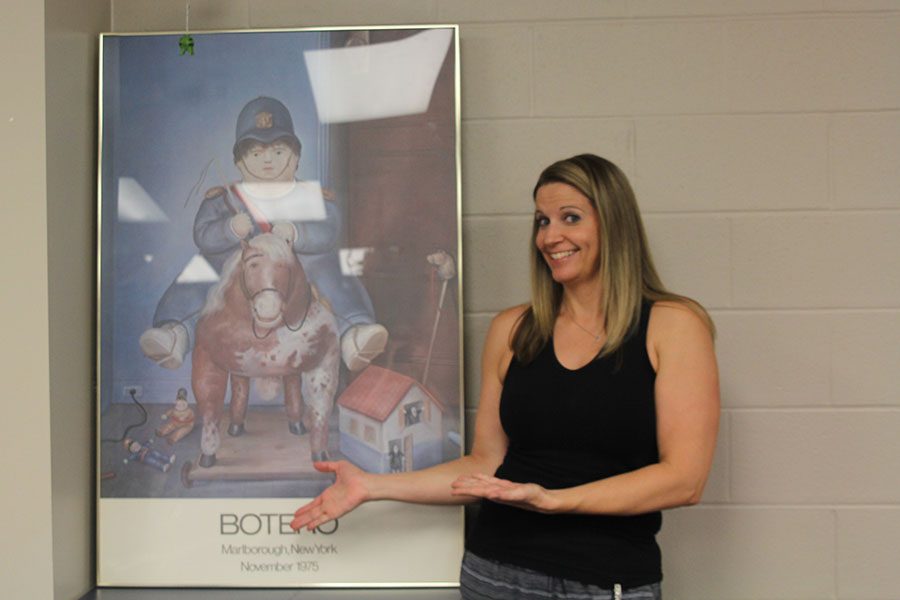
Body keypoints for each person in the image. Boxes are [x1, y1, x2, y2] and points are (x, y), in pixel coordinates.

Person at [290, 154, 719, 599]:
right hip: (494, 573)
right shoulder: (513, 330)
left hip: (606, 579)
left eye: (569, 218)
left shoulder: (672, 325)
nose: (551, 237)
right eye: (542, 221)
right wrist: (372, 485)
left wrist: (553, 499)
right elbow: (483, 465)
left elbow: (684, 479)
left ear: (613, 223)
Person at [139, 96, 388, 373]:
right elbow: (203, 235)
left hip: (296, 267)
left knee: (330, 268)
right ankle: (175, 332)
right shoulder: (224, 199)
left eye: (279, 151)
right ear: (240, 161)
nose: (268, 160)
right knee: (201, 270)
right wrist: (229, 229)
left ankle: (353, 332)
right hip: (240, 266)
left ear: (296, 156)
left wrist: (297, 232)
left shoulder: (310, 196)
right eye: (256, 153)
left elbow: (329, 230)